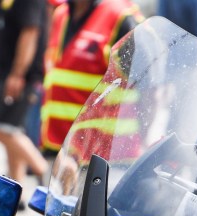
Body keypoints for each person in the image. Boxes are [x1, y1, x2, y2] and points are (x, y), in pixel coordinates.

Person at [39, 0, 142, 157]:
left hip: (103, 153)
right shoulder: (61, 13)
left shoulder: (121, 16)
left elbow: (147, 83)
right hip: (58, 142)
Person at [0, 0, 50, 184]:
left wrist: (17, 74)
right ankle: (16, 187)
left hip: (22, 75)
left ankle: (45, 172)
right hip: (7, 72)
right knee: (11, 127)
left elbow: (30, 33)